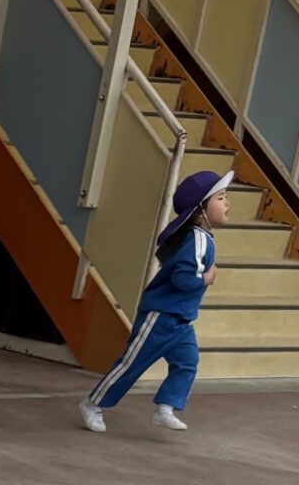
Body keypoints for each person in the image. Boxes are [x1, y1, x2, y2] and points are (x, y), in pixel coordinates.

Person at [79, 169, 232, 434]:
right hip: (160, 316)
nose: (227, 202)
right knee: (131, 364)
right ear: (200, 211)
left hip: (181, 320)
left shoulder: (204, 238)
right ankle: (92, 404)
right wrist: (206, 279)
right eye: (220, 198)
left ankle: (165, 409)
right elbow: (182, 279)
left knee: (187, 362)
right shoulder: (196, 240)